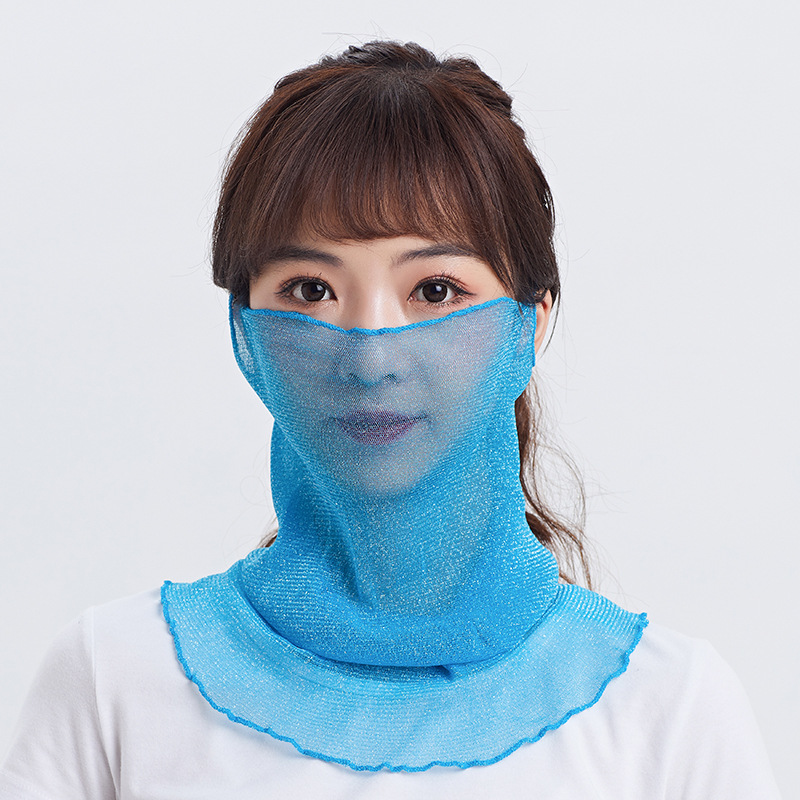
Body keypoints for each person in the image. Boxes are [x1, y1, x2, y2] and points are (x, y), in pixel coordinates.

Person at [0, 40, 781, 799]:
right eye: (310, 290)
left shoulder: (670, 712)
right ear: (244, 331)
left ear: (530, 325)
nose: (370, 355)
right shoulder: (114, 681)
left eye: (435, 291)